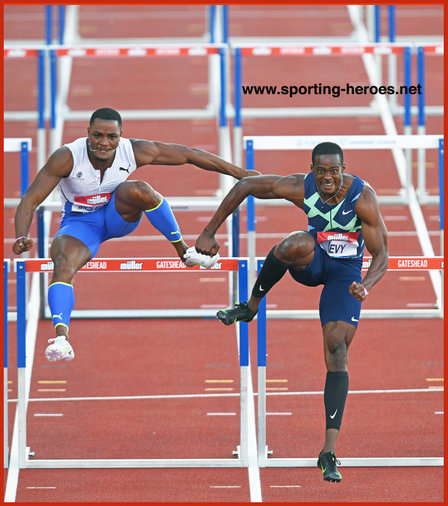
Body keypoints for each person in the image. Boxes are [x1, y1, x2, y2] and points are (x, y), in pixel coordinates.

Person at [195, 141, 388, 482]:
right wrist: (210, 230)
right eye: (322, 171)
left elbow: (382, 253)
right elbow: (245, 185)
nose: (328, 177)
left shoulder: (363, 198)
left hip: (345, 275)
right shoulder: (301, 186)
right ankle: (250, 305)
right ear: (312, 170)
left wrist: (367, 285)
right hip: (312, 262)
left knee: (337, 349)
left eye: (335, 171)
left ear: (344, 168)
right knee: (292, 242)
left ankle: (328, 451)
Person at [13, 107, 258, 364]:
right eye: (97, 135)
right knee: (62, 262)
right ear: (87, 133)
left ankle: (185, 252)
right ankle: (62, 338)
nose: (104, 143)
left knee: (140, 190)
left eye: (111, 137)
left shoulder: (134, 151)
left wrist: (242, 174)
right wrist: (21, 237)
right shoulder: (66, 157)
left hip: (118, 216)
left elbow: (189, 155)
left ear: (121, 136)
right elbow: (30, 198)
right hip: (80, 223)